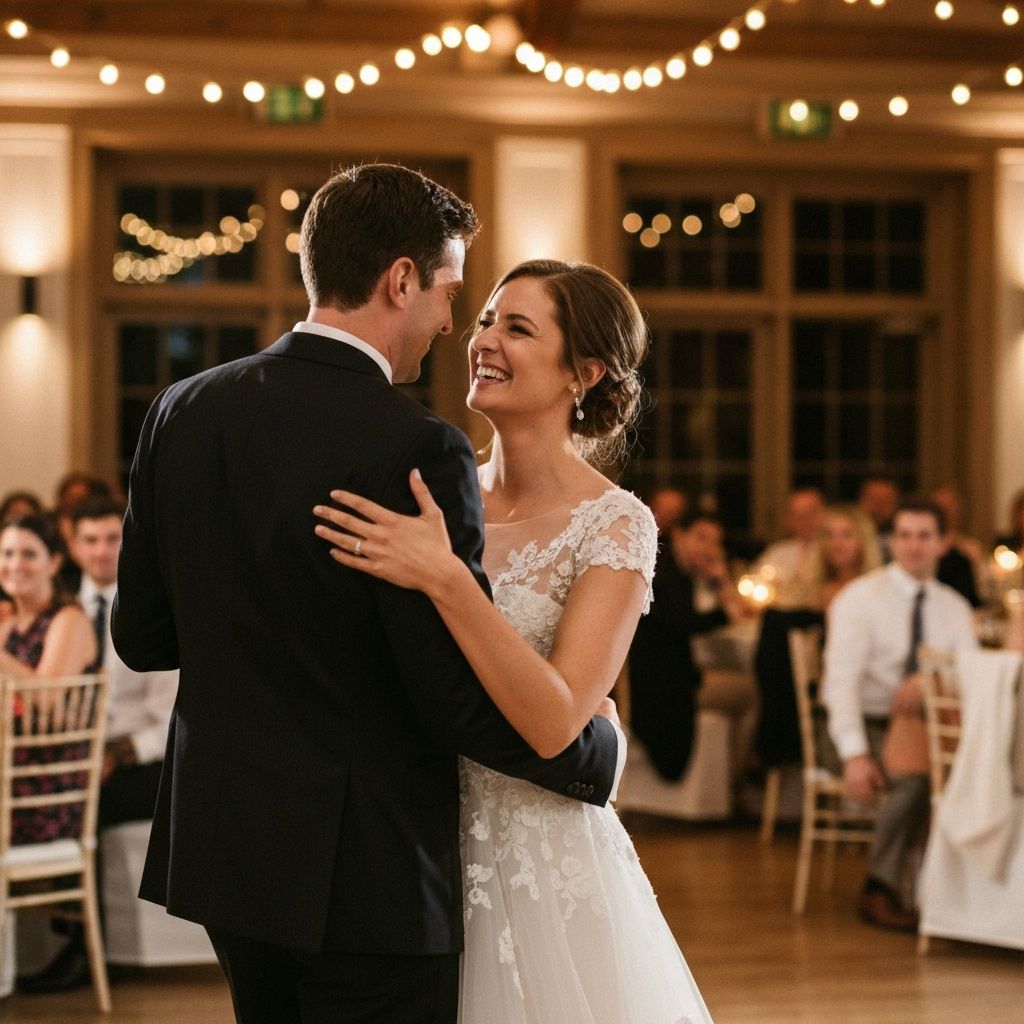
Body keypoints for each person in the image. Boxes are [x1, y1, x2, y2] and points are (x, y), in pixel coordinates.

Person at [112, 165, 622, 1024]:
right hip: (368, 869)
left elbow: (142, 637)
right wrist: (590, 756)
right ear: (400, 280)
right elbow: (446, 701)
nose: (454, 322)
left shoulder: (181, 409)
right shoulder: (418, 448)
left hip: (227, 850)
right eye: (452, 292)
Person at [315, 258, 714, 1023]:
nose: (484, 339)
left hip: (542, 857)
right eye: (487, 319)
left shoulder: (617, 524)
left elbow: (557, 721)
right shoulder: (431, 487)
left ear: (584, 372)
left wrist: (448, 580)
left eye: (518, 327)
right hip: (415, 845)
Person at [17, 495, 179, 995]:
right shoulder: (61, 610)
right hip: (74, 755)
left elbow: (167, 721)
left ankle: (85, 950)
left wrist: (115, 754)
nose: (102, 552)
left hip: (142, 759)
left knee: (90, 798)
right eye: (90, 540)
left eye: (113, 539)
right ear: (72, 545)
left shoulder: (154, 612)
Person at [822, 499, 976, 931]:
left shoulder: (955, 609)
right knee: (915, 779)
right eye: (904, 535)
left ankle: (959, 898)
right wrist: (854, 754)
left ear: (943, 543)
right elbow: (840, 685)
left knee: (978, 770)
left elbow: (970, 680)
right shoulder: (860, 598)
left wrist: (930, 680)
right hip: (861, 727)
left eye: (925, 535)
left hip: (931, 730)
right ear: (892, 542)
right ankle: (880, 886)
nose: (913, 546)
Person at [0, 515, 98, 845]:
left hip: (44, 785)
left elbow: (46, 697)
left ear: (54, 562)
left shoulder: (68, 618)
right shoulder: (7, 619)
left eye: (29, 554)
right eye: (7, 553)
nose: (15, 564)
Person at [754, 488, 825, 607]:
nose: (805, 521)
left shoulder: (833, 551)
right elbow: (756, 582)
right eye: (798, 515)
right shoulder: (778, 552)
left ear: (823, 514)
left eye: (810, 513)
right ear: (788, 520)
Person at [812, 505, 883, 611]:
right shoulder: (816, 589)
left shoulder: (878, 588)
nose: (836, 543)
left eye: (847, 535)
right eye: (829, 535)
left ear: (864, 541)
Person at [930, 486, 983, 607]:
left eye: (950, 506)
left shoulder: (970, 548)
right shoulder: (921, 549)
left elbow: (980, 589)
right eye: (940, 506)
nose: (946, 511)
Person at [857, 477, 900, 560]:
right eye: (873, 499)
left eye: (886, 500)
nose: (879, 505)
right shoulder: (847, 535)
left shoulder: (905, 538)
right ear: (861, 501)